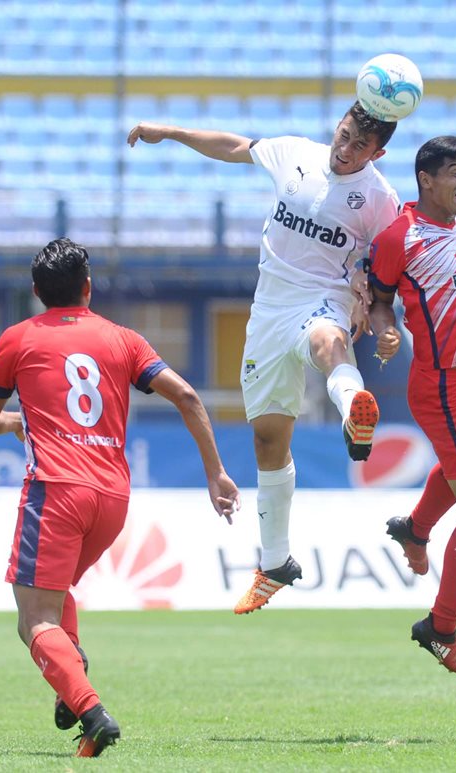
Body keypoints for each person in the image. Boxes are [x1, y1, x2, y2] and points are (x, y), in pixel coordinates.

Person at [126, 101, 401, 614]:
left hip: (324, 297)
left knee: (328, 343)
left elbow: (390, 260)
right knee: (269, 438)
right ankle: (276, 563)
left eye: (359, 146)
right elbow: (233, 146)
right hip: (269, 306)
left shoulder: (381, 200)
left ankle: (354, 408)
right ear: (337, 125)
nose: (345, 149)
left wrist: (374, 305)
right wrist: (172, 131)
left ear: (378, 152)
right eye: (343, 135)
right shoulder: (295, 153)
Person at [0, 238, 240, 757]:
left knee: (34, 618)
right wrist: (217, 474)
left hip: (56, 490)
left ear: (35, 292)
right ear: (88, 288)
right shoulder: (123, 339)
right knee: (56, 591)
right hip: (113, 498)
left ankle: (91, 711)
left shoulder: (17, 339)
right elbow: (186, 395)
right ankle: (71, 674)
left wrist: (15, 422)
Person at [366, 136, 456, 677]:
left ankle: (416, 529)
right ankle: (439, 628)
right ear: (426, 178)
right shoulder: (401, 236)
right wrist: (385, 330)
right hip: (444, 387)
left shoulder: (452, 225)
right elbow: (378, 299)